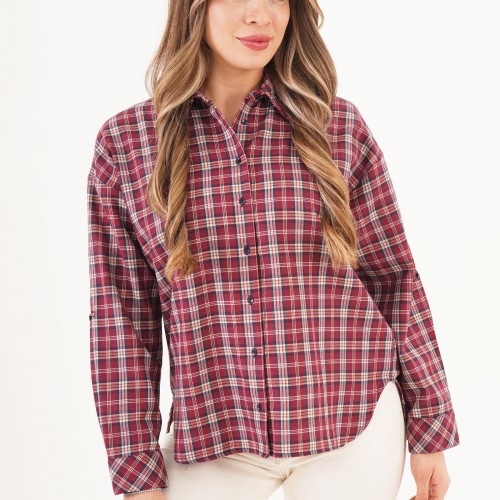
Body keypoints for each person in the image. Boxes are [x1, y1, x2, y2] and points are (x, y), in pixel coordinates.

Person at [86, 1, 460, 499]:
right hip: (215, 433)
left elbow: (394, 280)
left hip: (354, 423)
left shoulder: (339, 126)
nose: (260, 15)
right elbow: (122, 321)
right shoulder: (127, 143)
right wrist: (137, 473)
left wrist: (430, 429)